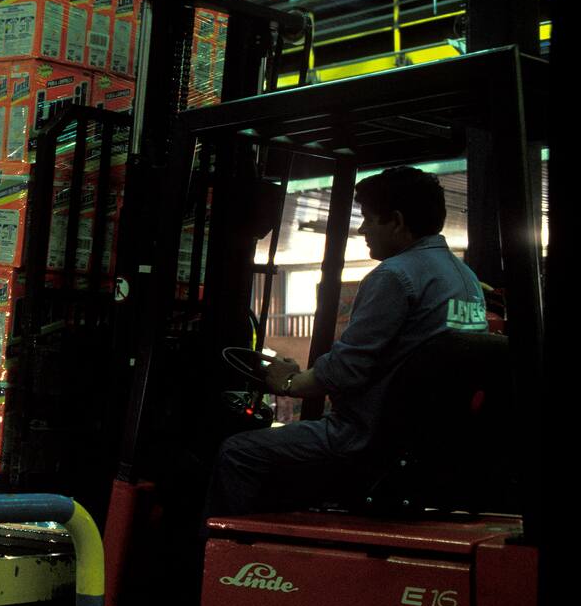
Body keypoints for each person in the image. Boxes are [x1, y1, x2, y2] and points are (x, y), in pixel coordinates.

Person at [206, 166, 487, 518]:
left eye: (368, 219)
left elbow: (347, 369)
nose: (362, 229)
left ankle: (230, 566)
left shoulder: (395, 276)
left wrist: (289, 382)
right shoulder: (465, 278)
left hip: (366, 439)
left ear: (397, 221)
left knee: (237, 451)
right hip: (425, 442)